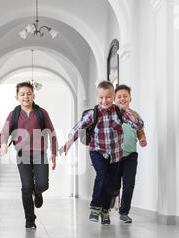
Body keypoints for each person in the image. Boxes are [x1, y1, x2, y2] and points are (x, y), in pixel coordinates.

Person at [59, 81, 144, 225]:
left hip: (115, 153)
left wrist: (133, 116)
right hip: (97, 150)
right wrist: (68, 144)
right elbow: (78, 127)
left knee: (111, 185)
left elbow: (138, 125)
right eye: (101, 97)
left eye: (108, 97)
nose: (104, 101)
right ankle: (95, 207)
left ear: (113, 97)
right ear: (97, 97)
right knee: (102, 174)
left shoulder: (120, 112)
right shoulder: (94, 113)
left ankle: (105, 210)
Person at [0, 82, 58, 229]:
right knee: (26, 187)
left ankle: (38, 193)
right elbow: (4, 132)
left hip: (40, 153)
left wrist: (54, 152)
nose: (26, 96)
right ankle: (30, 220)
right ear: (17, 97)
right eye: (22, 94)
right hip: (22, 154)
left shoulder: (41, 112)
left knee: (42, 184)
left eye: (29, 93)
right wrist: (3, 144)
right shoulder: (14, 114)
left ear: (33, 95)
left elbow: (52, 132)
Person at [110, 84, 147, 223]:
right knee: (114, 185)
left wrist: (142, 139)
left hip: (131, 155)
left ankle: (124, 212)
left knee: (129, 184)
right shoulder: (111, 114)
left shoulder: (134, 115)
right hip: (114, 155)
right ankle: (113, 194)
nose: (122, 99)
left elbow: (140, 131)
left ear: (130, 98)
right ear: (114, 99)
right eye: (119, 96)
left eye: (125, 96)